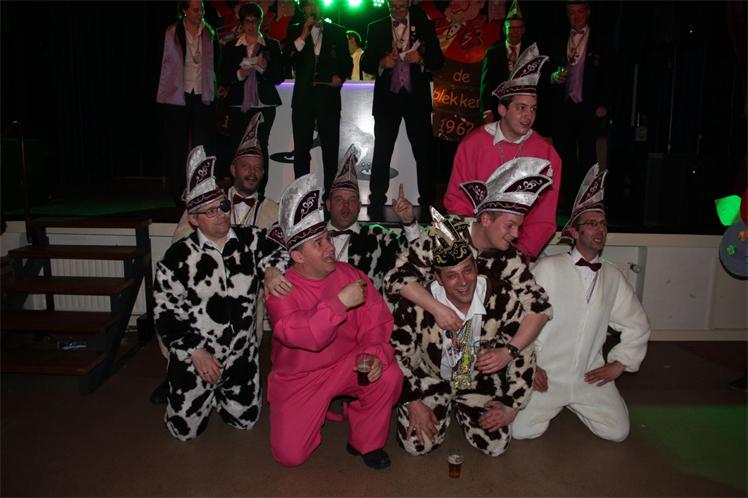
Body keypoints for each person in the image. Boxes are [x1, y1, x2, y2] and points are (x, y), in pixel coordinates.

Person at [265, 174, 403, 469]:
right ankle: (316, 412)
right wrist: (340, 303)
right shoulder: (281, 289)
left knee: (388, 374)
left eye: (327, 238)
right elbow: (299, 335)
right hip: (300, 379)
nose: (330, 247)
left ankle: (366, 441)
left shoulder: (351, 275)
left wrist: (374, 355)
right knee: (289, 456)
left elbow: (377, 325)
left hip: (346, 365)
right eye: (319, 243)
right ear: (297, 256)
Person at [153, 145, 288, 441]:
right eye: (210, 211)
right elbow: (166, 315)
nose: (221, 215)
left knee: (246, 423)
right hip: (197, 358)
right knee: (184, 432)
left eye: (223, 207)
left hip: (241, 357)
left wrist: (271, 268)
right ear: (193, 219)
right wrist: (195, 352)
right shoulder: (176, 258)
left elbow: (279, 250)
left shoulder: (250, 239)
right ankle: (192, 395)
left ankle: (226, 399)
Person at [512, 164, 650, 442]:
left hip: (589, 375)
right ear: (574, 233)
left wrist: (620, 363)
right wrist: (529, 365)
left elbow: (637, 325)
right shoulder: (548, 268)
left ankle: (579, 402)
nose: (600, 229)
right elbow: (517, 316)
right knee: (521, 431)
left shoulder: (613, 277)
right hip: (548, 375)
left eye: (603, 223)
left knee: (617, 432)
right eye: (591, 223)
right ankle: (556, 402)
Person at [385, 157, 553, 374]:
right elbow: (395, 278)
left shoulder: (510, 258)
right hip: (428, 345)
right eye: (510, 225)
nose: (516, 234)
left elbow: (539, 307)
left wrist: (509, 352)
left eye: (518, 227)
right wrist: (438, 309)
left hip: (480, 356)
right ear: (486, 220)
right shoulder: (447, 234)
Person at [391, 214, 541, 456]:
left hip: (476, 378)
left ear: (476, 267)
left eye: (468, 271)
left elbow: (524, 349)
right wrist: (412, 401)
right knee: (416, 445)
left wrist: (513, 404)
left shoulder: (501, 297)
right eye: (451, 275)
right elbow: (396, 354)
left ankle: (462, 408)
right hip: (431, 378)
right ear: (438, 279)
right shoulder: (416, 304)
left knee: (496, 445)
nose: (463, 282)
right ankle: (439, 408)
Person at [444, 43, 561, 259]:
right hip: (475, 248)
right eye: (521, 107)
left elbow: (544, 216)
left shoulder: (546, 154)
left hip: (519, 252)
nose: (528, 115)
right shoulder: (472, 145)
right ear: (502, 109)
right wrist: (475, 247)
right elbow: (457, 202)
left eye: (533, 109)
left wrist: (519, 255)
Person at [360, 0, 444, 220]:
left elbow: (438, 60)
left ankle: (427, 202)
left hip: (417, 100)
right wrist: (382, 62)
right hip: (387, 100)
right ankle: (376, 201)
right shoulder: (376, 27)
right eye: (394, 7)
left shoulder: (424, 26)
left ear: (408, 3)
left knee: (424, 153)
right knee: (382, 151)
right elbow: (366, 62)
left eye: (401, 6)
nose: (397, 11)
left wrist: (421, 59)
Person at [326, 144, 420, 290]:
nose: (346, 206)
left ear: (359, 206)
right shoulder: (311, 239)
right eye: (339, 200)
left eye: (351, 200)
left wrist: (409, 222)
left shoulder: (378, 238)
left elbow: (417, 260)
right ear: (328, 205)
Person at [284, 0, 353, 194]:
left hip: (328, 97)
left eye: (317, 4)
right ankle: (302, 195)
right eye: (309, 5)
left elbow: (347, 62)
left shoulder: (337, 31)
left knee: (330, 150)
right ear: (303, 8)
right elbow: (287, 58)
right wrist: (303, 35)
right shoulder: (295, 30)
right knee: (301, 150)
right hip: (303, 97)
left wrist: (340, 76)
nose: (313, 8)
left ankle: (330, 195)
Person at [157, 0, 220, 205]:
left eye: (201, 9)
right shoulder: (172, 32)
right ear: (184, 11)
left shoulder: (209, 33)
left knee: (203, 145)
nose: (200, 13)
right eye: (195, 10)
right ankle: (179, 191)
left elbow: (216, 62)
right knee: (177, 145)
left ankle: (203, 188)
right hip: (178, 93)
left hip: (202, 93)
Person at [549, 0, 609, 214]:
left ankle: (587, 202)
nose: (576, 17)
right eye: (571, 13)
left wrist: (604, 103)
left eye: (580, 12)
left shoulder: (600, 40)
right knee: (564, 155)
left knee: (587, 155)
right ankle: (571, 200)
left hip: (588, 106)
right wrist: (553, 77)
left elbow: (610, 74)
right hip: (564, 106)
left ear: (588, 12)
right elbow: (546, 70)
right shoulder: (558, 38)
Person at [218, 2, 284, 190]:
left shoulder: (271, 45)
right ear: (241, 23)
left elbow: (279, 76)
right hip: (239, 105)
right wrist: (240, 74)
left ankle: (260, 192)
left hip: (264, 105)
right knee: (238, 147)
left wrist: (264, 69)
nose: (251, 25)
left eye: (255, 21)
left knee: (261, 147)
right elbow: (223, 76)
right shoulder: (232, 46)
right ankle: (238, 190)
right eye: (247, 21)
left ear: (260, 22)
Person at [479, 0, 528, 124]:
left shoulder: (530, 52)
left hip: (524, 111)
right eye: (511, 28)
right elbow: (486, 84)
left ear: (523, 30)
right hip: (499, 110)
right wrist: (487, 110)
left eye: (518, 28)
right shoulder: (493, 53)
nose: (515, 31)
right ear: (504, 30)